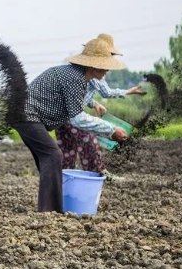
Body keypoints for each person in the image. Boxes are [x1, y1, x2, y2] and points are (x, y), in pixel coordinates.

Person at [14, 38, 128, 213]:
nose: (107, 70)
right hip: (28, 116)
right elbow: (77, 118)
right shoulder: (75, 78)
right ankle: (49, 211)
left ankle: (54, 205)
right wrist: (111, 130)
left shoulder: (76, 75)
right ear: (93, 66)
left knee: (48, 161)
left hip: (27, 115)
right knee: (53, 156)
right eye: (104, 65)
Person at [55, 34, 146, 180]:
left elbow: (78, 94)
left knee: (67, 150)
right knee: (88, 139)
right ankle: (98, 173)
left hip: (60, 116)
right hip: (72, 115)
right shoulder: (92, 70)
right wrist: (128, 91)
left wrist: (93, 103)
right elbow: (106, 92)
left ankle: (64, 180)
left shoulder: (76, 70)